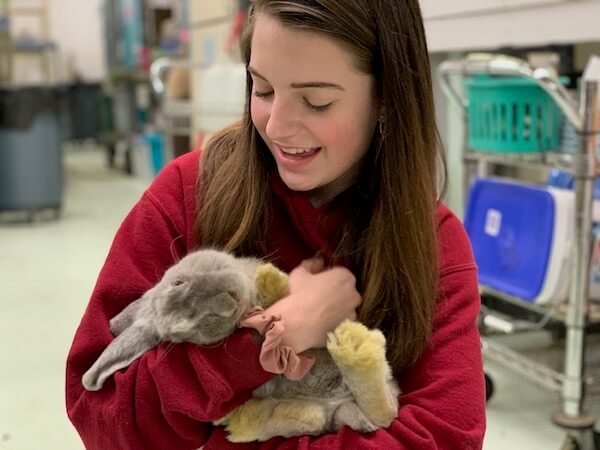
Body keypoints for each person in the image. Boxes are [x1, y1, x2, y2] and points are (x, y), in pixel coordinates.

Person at [65, 0, 486, 448]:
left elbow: (446, 436)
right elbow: (100, 416)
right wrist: (274, 334)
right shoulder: (186, 195)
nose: (278, 127)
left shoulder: (432, 243)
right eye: (262, 90)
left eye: (316, 101)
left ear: (387, 96)